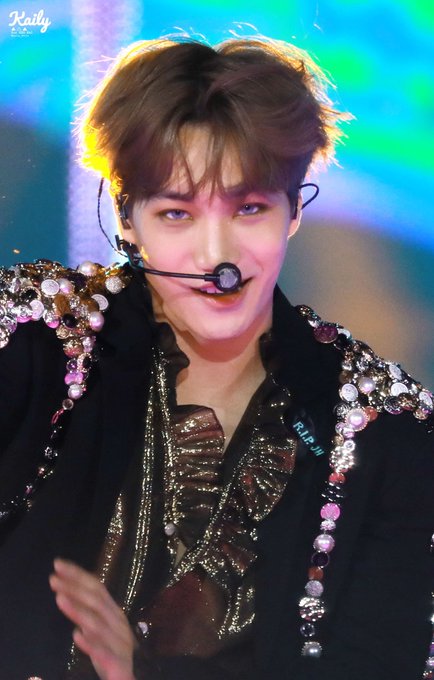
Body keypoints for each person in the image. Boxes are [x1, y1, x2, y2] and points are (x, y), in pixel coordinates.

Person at [0, 35, 432, 680]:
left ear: (294, 210)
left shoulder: (385, 430)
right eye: (177, 214)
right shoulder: (30, 340)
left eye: (249, 208)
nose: (216, 258)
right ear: (126, 217)